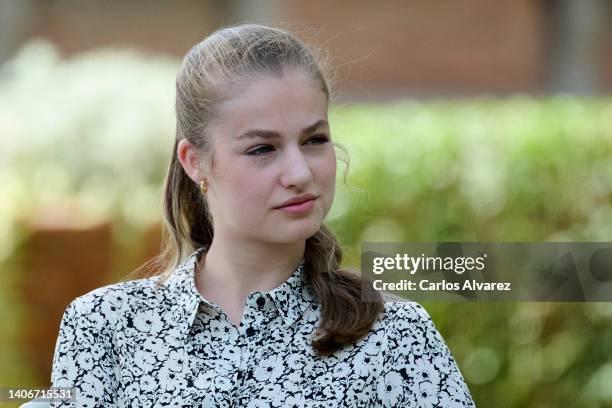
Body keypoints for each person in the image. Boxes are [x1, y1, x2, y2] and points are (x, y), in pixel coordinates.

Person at [49, 23, 475, 407]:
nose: (300, 172)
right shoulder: (104, 329)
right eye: (262, 149)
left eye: (315, 140)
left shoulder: (396, 337)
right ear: (195, 162)